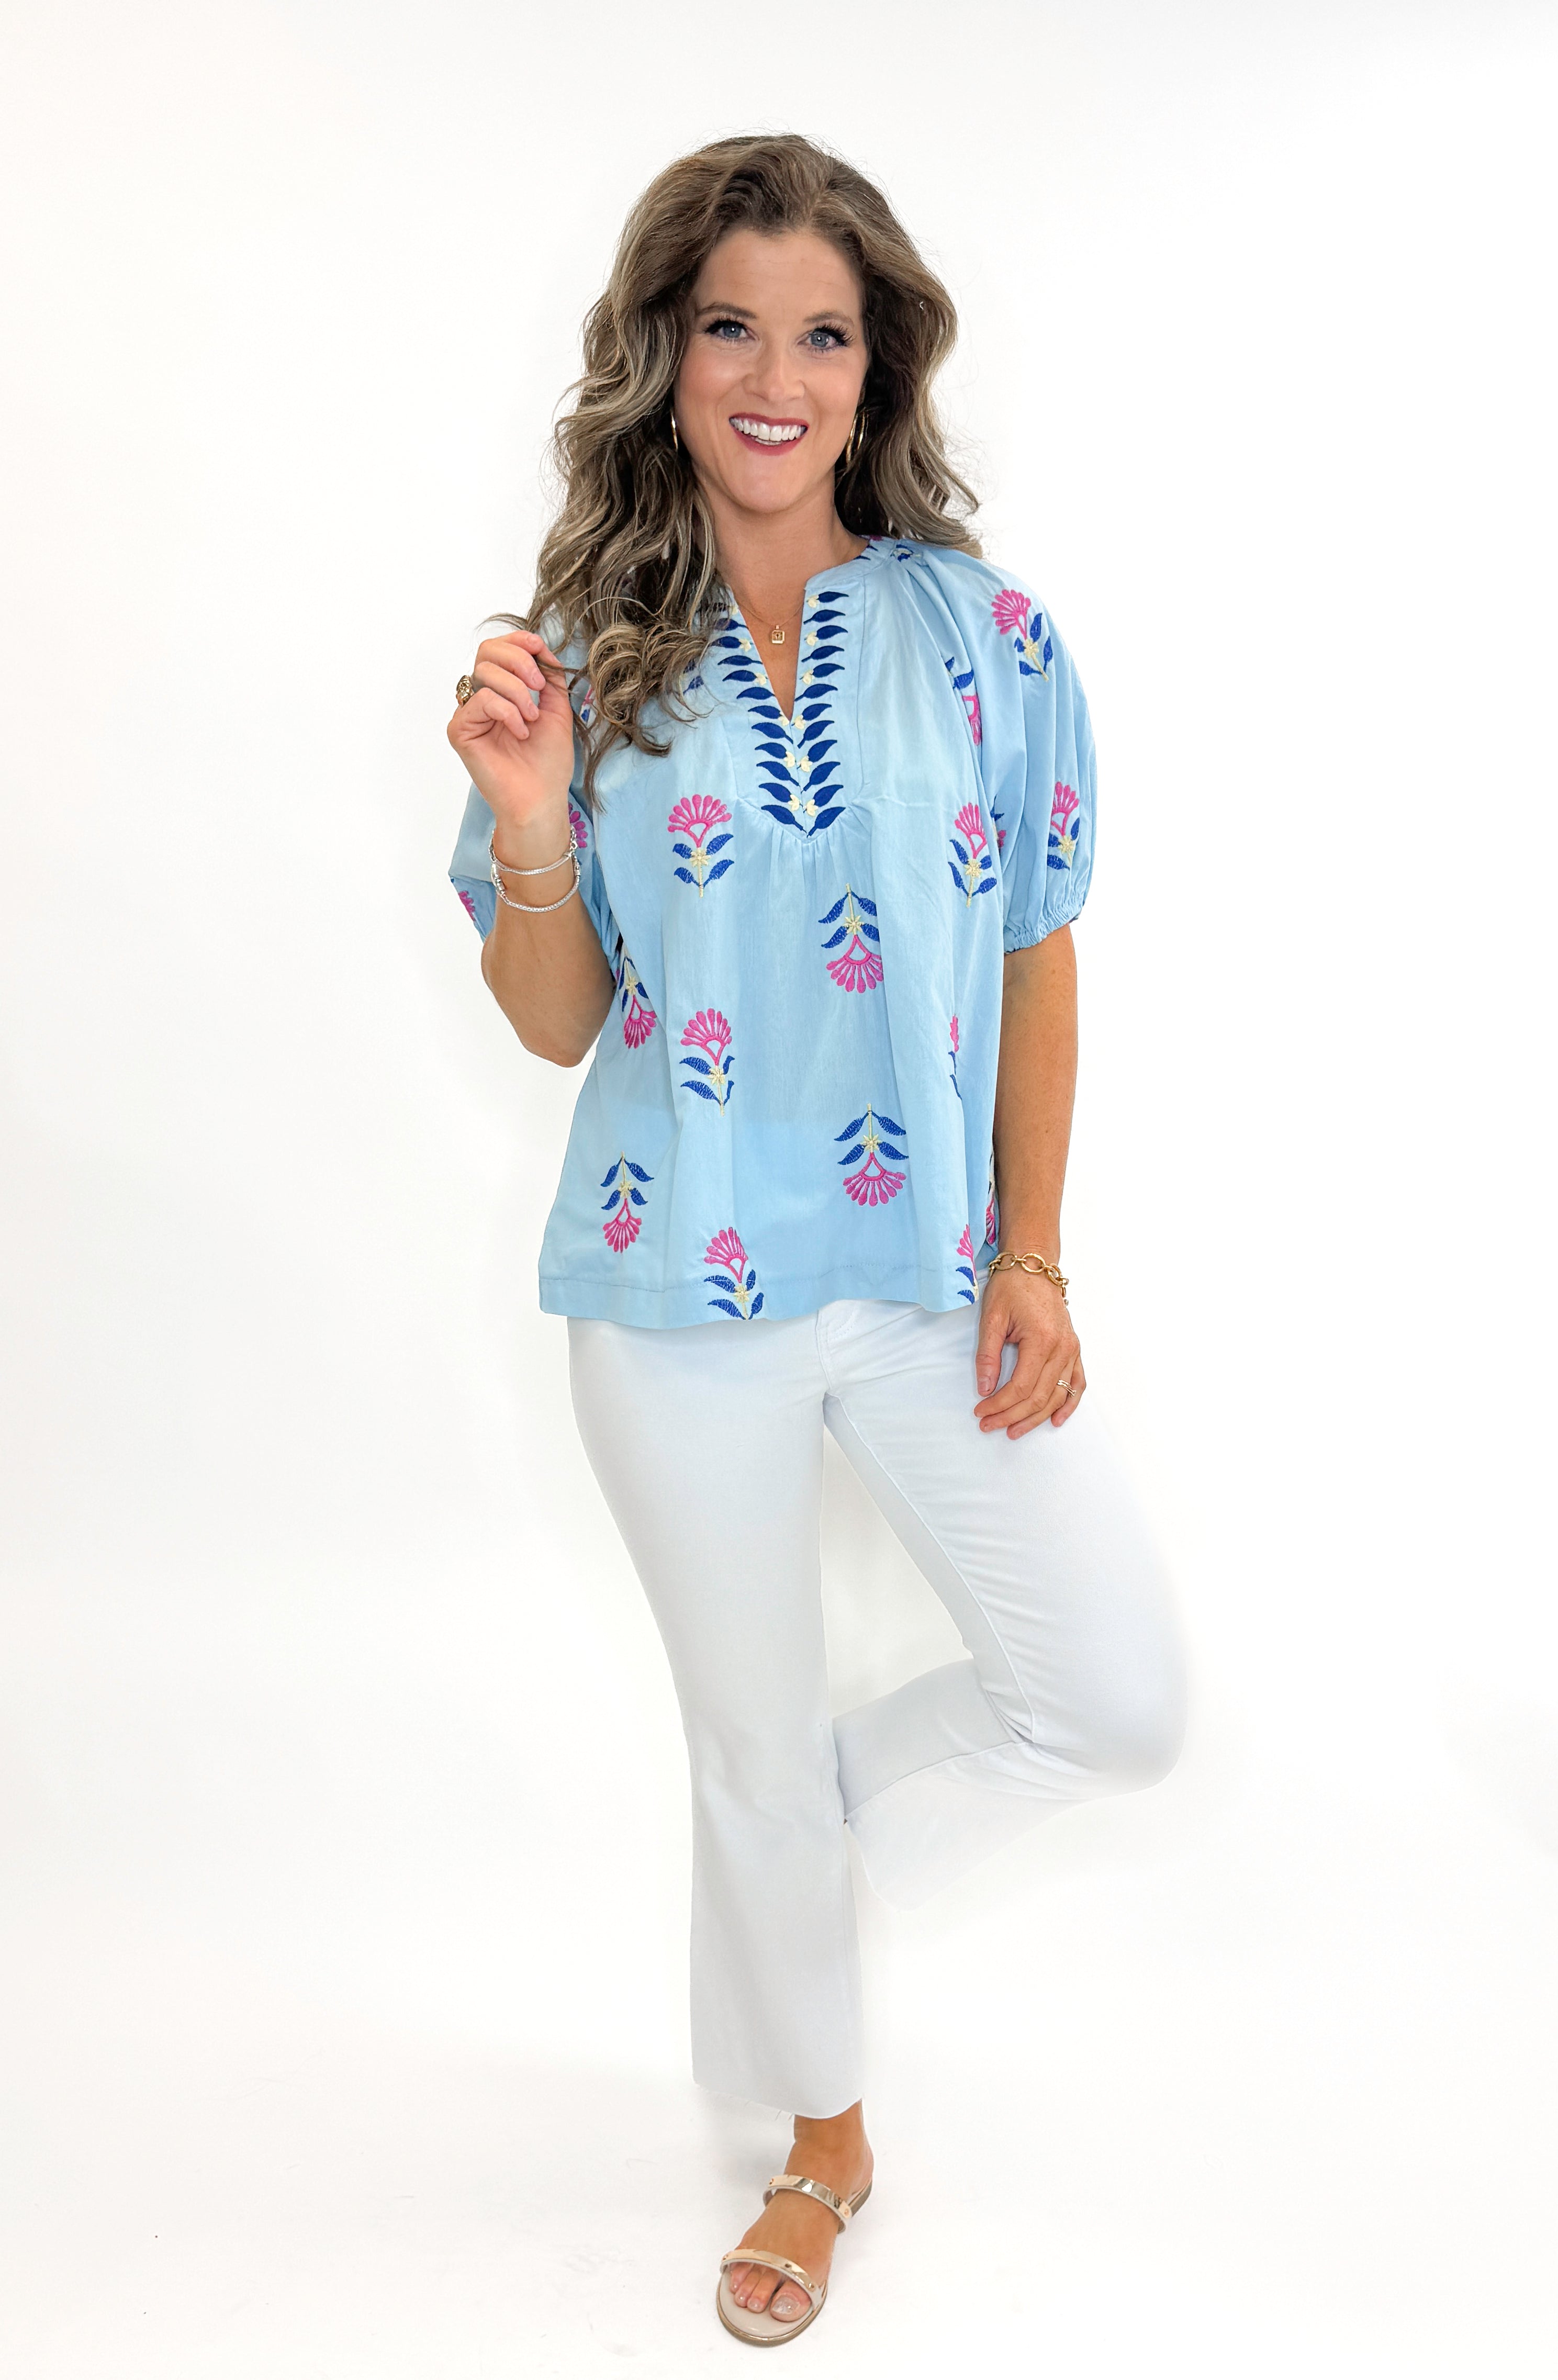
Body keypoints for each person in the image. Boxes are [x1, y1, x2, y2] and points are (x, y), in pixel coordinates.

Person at [446, 133, 1186, 2349]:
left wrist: (1030, 1256)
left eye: (823, 332)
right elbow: (559, 1016)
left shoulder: (986, 632)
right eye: (731, 328)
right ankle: (821, 2142)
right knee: (752, 1747)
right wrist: (528, 831)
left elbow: (1038, 948)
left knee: (1115, 1699)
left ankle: (781, 1860)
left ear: (877, 369)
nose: (775, 374)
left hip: (918, 1283)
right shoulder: (584, 646)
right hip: (670, 1293)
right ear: (667, 362)